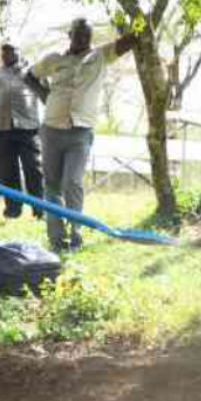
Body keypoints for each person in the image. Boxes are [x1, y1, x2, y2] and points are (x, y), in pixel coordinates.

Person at [28, 19, 135, 251]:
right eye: (79, 35)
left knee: (73, 183)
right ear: (70, 34)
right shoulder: (54, 60)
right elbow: (30, 76)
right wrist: (46, 96)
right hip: (51, 130)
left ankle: (76, 235)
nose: (83, 39)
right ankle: (57, 240)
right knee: (52, 187)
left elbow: (130, 41)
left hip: (80, 133)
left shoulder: (100, 56)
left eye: (87, 36)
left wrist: (123, 26)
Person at [0, 43, 44, 220]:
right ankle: (13, 210)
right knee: (7, 173)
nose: (6, 54)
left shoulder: (33, 71)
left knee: (34, 170)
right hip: (1, 129)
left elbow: (48, 95)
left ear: (19, 52)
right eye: (4, 51)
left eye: (11, 50)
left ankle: (40, 209)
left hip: (28, 129)